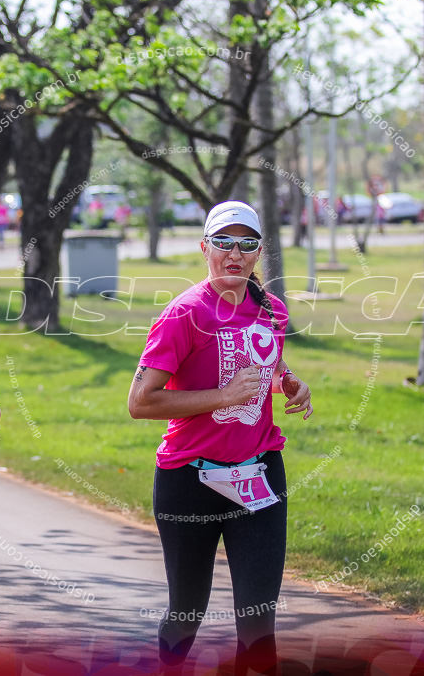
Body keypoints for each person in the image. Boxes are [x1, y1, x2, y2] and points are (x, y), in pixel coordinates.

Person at [128, 201, 313, 675]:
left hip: (259, 473)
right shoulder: (184, 314)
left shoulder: (271, 309)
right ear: (204, 247)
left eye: (247, 243)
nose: (236, 253)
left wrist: (288, 380)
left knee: (258, 620)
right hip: (191, 477)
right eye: (224, 242)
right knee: (187, 612)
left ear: (259, 251)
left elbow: (261, 355)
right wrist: (223, 397)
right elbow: (140, 402)